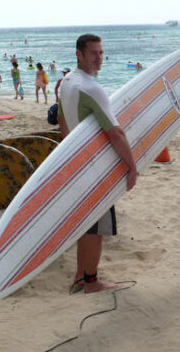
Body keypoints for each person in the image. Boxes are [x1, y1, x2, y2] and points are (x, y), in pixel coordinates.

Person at [58, 34, 139, 294]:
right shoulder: (92, 88)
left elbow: (61, 117)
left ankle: (81, 277)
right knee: (96, 228)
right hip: (93, 170)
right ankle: (91, 283)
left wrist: (69, 150)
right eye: (93, 53)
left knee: (86, 225)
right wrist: (132, 166)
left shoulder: (67, 81)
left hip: (77, 165)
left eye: (102, 53)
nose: (99, 58)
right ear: (79, 54)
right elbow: (116, 133)